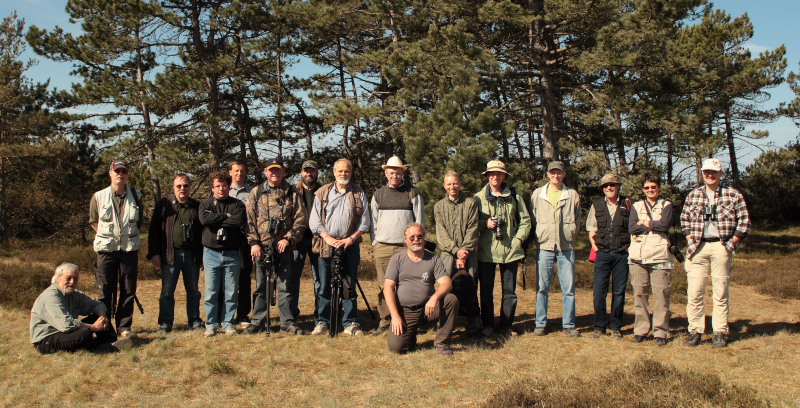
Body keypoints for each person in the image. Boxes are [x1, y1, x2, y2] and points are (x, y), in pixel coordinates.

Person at [680, 158, 751, 348]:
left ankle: (719, 332)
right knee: (695, 292)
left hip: (721, 247)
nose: (709, 175)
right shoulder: (693, 195)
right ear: (702, 174)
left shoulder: (733, 195)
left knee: (720, 291)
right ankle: (695, 331)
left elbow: (744, 221)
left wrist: (732, 242)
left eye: (713, 172)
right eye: (706, 172)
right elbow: (684, 218)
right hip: (697, 247)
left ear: (720, 173)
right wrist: (688, 238)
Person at [244, 157, 307, 335]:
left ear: (283, 172)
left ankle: (287, 322)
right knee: (261, 286)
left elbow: (300, 220)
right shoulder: (256, 192)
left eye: (277, 170)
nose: (274, 173)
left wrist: (288, 238)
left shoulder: (293, 193)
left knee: (285, 287)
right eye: (271, 170)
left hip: (285, 248)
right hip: (262, 248)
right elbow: (249, 220)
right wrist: (254, 243)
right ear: (266, 172)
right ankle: (258, 321)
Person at [308, 158, 370, 336]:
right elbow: (314, 221)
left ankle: (350, 322)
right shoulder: (322, 192)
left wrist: (350, 239)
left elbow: (365, 222)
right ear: (334, 172)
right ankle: (323, 322)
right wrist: (327, 238)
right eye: (340, 171)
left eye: (347, 171)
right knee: (324, 285)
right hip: (326, 246)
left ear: (351, 172)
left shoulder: (358, 192)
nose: (343, 174)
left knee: (349, 285)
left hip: (350, 246)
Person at [473, 161, 531, 337]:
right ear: (487, 176)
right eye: (491, 174)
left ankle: (506, 325)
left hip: (511, 251)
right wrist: (485, 223)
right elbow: (471, 223)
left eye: (498, 174)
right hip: (486, 252)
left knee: (509, 292)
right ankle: (488, 324)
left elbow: (525, 221)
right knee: (486, 291)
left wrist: (518, 240)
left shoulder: (515, 195)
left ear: (504, 176)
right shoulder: (478, 197)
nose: (495, 177)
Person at [369, 155, 425, 335]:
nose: (395, 175)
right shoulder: (378, 194)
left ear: (403, 173)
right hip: (383, 247)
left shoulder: (413, 193)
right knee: (384, 285)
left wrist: (417, 245)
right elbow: (373, 222)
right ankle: (385, 321)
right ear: (386, 173)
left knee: (407, 285)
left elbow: (420, 221)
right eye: (392, 172)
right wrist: (375, 242)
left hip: (405, 248)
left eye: (398, 172)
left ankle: (408, 320)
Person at [384, 223, 459, 355]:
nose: (416, 240)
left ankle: (442, 343)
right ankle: (410, 335)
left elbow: (447, 283)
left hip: (428, 309)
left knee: (451, 300)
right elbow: (388, 287)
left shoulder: (433, 259)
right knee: (396, 348)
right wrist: (395, 316)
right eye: (412, 237)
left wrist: (435, 297)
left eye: (419, 236)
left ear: (424, 238)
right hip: (406, 310)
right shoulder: (397, 259)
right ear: (405, 240)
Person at [89, 160, 143, 339]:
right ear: (110, 173)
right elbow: (93, 221)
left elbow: (139, 222)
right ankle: (105, 324)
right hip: (106, 251)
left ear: (128, 174)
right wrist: (106, 237)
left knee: (128, 289)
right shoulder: (99, 196)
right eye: (117, 170)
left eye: (124, 171)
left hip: (128, 250)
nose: (120, 173)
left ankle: (124, 326)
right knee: (105, 289)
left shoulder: (137, 195)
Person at [30, 263, 131, 353]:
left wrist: (102, 317)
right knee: (85, 332)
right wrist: (93, 327)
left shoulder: (74, 294)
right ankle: (101, 347)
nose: (72, 282)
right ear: (58, 279)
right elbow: (66, 324)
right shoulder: (50, 297)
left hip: (65, 333)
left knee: (97, 317)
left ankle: (111, 342)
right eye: (68, 278)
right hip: (48, 338)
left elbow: (97, 304)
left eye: (75, 278)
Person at [530, 161, 581, 337]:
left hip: (566, 246)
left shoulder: (572, 195)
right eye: (552, 173)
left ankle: (568, 324)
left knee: (568, 288)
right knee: (542, 287)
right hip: (544, 245)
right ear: (548, 174)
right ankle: (540, 323)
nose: (556, 176)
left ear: (563, 174)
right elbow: (533, 218)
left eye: (559, 173)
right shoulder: (538, 194)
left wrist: (571, 235)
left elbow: (578, 219)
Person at [147, 173, 204, 333]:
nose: (182, 188)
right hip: (169, 255)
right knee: (167, 291)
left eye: (185, 185)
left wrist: (201, 256)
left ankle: (195, 321)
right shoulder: (164, 205)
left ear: (190, 187)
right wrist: (154, 253)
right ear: (173, 188)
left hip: (191, 255)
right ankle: (165, 323)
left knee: (193, 290)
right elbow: (153, 231)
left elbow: (202, 232)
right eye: (179, 186)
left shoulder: (197, 206)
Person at [628, 172, 675, 346]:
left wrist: (646, 223)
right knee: (640, 295)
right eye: (647, 187)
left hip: (660, 257)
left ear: (659, 188)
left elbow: (665, 225)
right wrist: (652, 224)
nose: (650, 190)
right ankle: (641, 330)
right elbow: (632, 228)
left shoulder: (667, 205)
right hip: (638, 257)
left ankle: (661, 332)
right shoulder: (636, 205)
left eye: (653, 187)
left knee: (661, 295)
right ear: (643, 189)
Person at [199, 171, 246, 337]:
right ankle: (211, 324)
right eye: (217, 186)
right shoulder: (205, 205)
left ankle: (228, 323)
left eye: (224, 186)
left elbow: (237, 221)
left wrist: (216, 218)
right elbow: (204, 220)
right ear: (212, 188)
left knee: (231, 291)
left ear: (229, 186)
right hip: (211, 253)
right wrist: (225, 216)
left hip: (232, 253)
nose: (221, 189)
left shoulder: (238, 205)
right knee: (211, 291)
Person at [434, 171, 481, 337]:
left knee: (471, 288)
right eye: (448, 184)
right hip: (447, 255)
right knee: (445, 288)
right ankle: (445, 325)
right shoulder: (439, 206)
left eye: (455, 183)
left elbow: (473, 228)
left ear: (460, 183)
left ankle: (474, 325)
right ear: (444, 185)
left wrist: (464, 252)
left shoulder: (470, 203)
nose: (452, 187)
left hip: (469, 254)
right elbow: (441, 233)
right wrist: (455, 251)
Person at [586, 174, 631, 339]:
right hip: (602, 254)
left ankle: (615, 327)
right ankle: (599, 327)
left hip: (621, 255)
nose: (609, 188)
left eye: (612, 185)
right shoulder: (597, 205)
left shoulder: (628, 203)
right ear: (602, 189)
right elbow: (592, 228)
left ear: (618, 186)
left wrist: (629, 248)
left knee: (619, 292)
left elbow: (634, 227)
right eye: (606, 186)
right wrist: (594, 246)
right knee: (599, 292)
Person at [294, 160, 322, 319]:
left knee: (320, 277)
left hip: (319, 239)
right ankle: (293, 311)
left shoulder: (324, 190)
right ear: (301, 172)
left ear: (317, 173)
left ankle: (321, 310)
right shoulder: (293, 191)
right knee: (293, 277)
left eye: (312, 171)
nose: (309, 174)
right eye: (306, 171)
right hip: (298, 240)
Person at [229, 160, 254, 327]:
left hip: (246, 241)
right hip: (227, 242)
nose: (239, 173)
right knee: (228, 280)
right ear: (230, 172)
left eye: (242, 170)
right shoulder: (223, 190)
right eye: (236, 171)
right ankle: (226, 315)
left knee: (244, 279)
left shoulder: (252, 192)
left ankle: (243, 314)